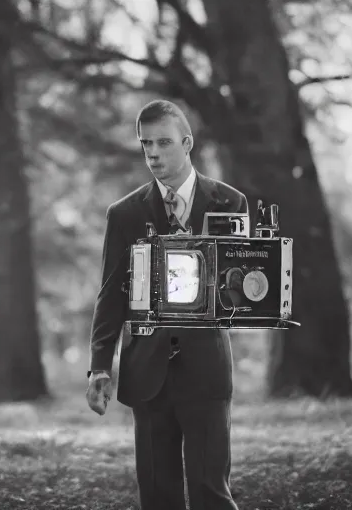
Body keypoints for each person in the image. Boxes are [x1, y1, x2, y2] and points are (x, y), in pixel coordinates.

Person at [86, 100, 247, 510]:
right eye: (145, 145)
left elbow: (240, 290)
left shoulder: (230, 203)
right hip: (146, 371)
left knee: (212, 492)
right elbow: (110, 293)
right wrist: (100, 366)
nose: (153, 154)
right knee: (158, 495)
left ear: (187, 142)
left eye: (163, 142)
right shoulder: (123, 214)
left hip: (207, 369)